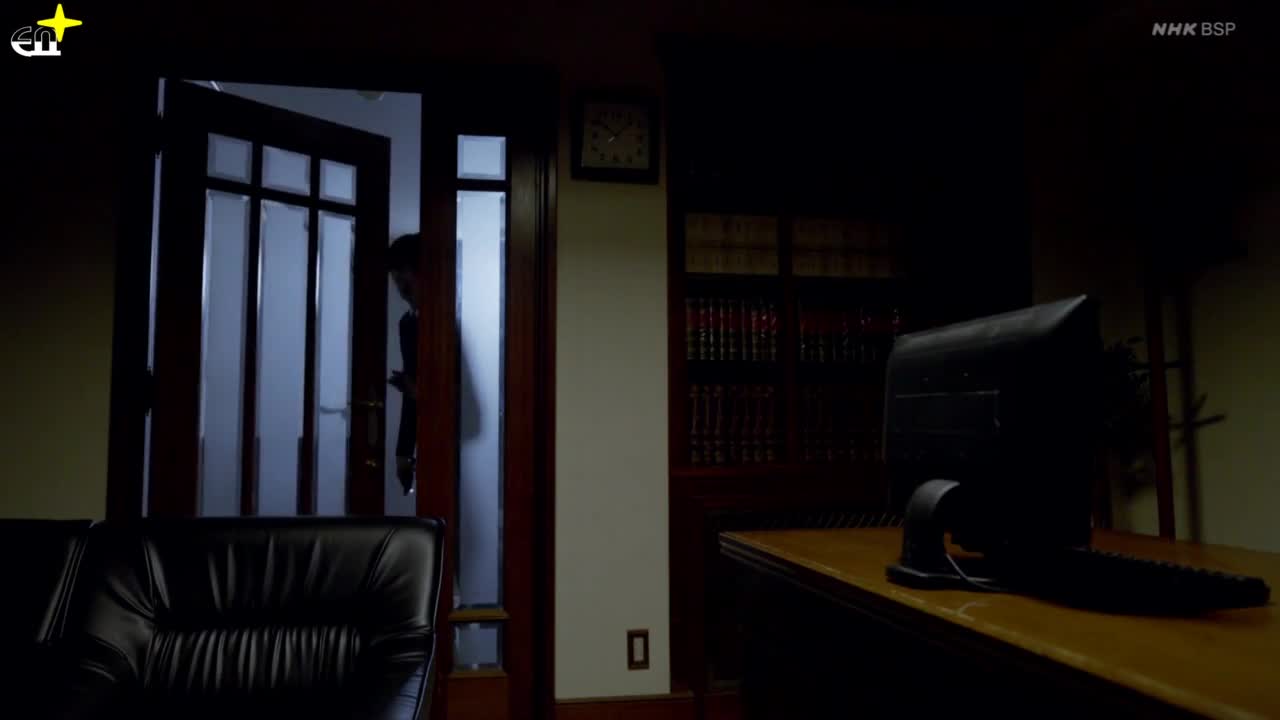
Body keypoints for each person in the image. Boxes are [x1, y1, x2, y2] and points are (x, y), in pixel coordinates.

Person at [388, 233, 420, 495]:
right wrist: (403, 452)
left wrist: (417, 391)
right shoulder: (407, 323)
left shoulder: (455, 319)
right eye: (396, 278)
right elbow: (412, 395)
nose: (400, 288)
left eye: (404, 277)